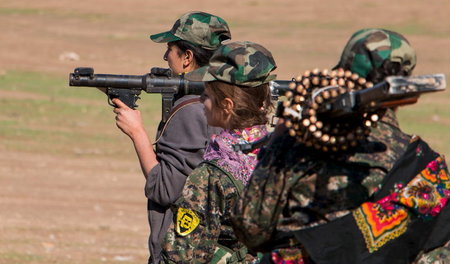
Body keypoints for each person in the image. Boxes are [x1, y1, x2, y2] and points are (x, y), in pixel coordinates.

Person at [232, 28, 450, 263]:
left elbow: (251, 231)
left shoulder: (299, 146)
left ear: (344, 76)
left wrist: (276, 146)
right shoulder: (425, 166)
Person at [112, 11, 231, 263]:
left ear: (187, 57)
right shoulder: (223, 101)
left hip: (184, 250)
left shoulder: (191, 110)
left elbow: (164, 189)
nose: (165, 57)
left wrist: (137, 133)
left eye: (170, 49)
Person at [159, 41, 277, 263]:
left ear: (227, 106)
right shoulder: (283, 155)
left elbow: (183, 256)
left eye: (206, 96)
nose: (202, 102)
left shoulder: (212, 174)